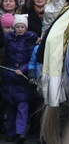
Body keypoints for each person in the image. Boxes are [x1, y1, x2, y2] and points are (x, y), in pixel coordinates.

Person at [3, 14, 38, 143]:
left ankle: (20, 132)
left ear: (26, 27)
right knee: (11, 107)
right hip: (9, 77)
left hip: (22, 80)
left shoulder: (30, 41)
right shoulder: (9, 40)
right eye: (17, 27)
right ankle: (11, 132)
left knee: (22, 107)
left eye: (22, 27)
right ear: (14, 27)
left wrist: (23, 69)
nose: (20, 29)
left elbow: (31, 60)